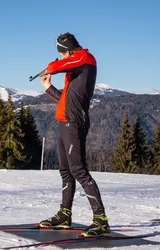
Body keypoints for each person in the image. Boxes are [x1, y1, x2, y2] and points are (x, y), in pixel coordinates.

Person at [39, 32, 110, 237]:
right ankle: (65, 214)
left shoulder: (84, 58)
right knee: (66, 171)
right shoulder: (75, 67)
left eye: (62, 53)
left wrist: (54, 65)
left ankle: (101, 219)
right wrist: (48, 88)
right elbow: (66, 101)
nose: (61, 58)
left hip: (75, 124)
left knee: (79, 170)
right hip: (64, 123)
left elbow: (54, 67)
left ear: (68, 50)